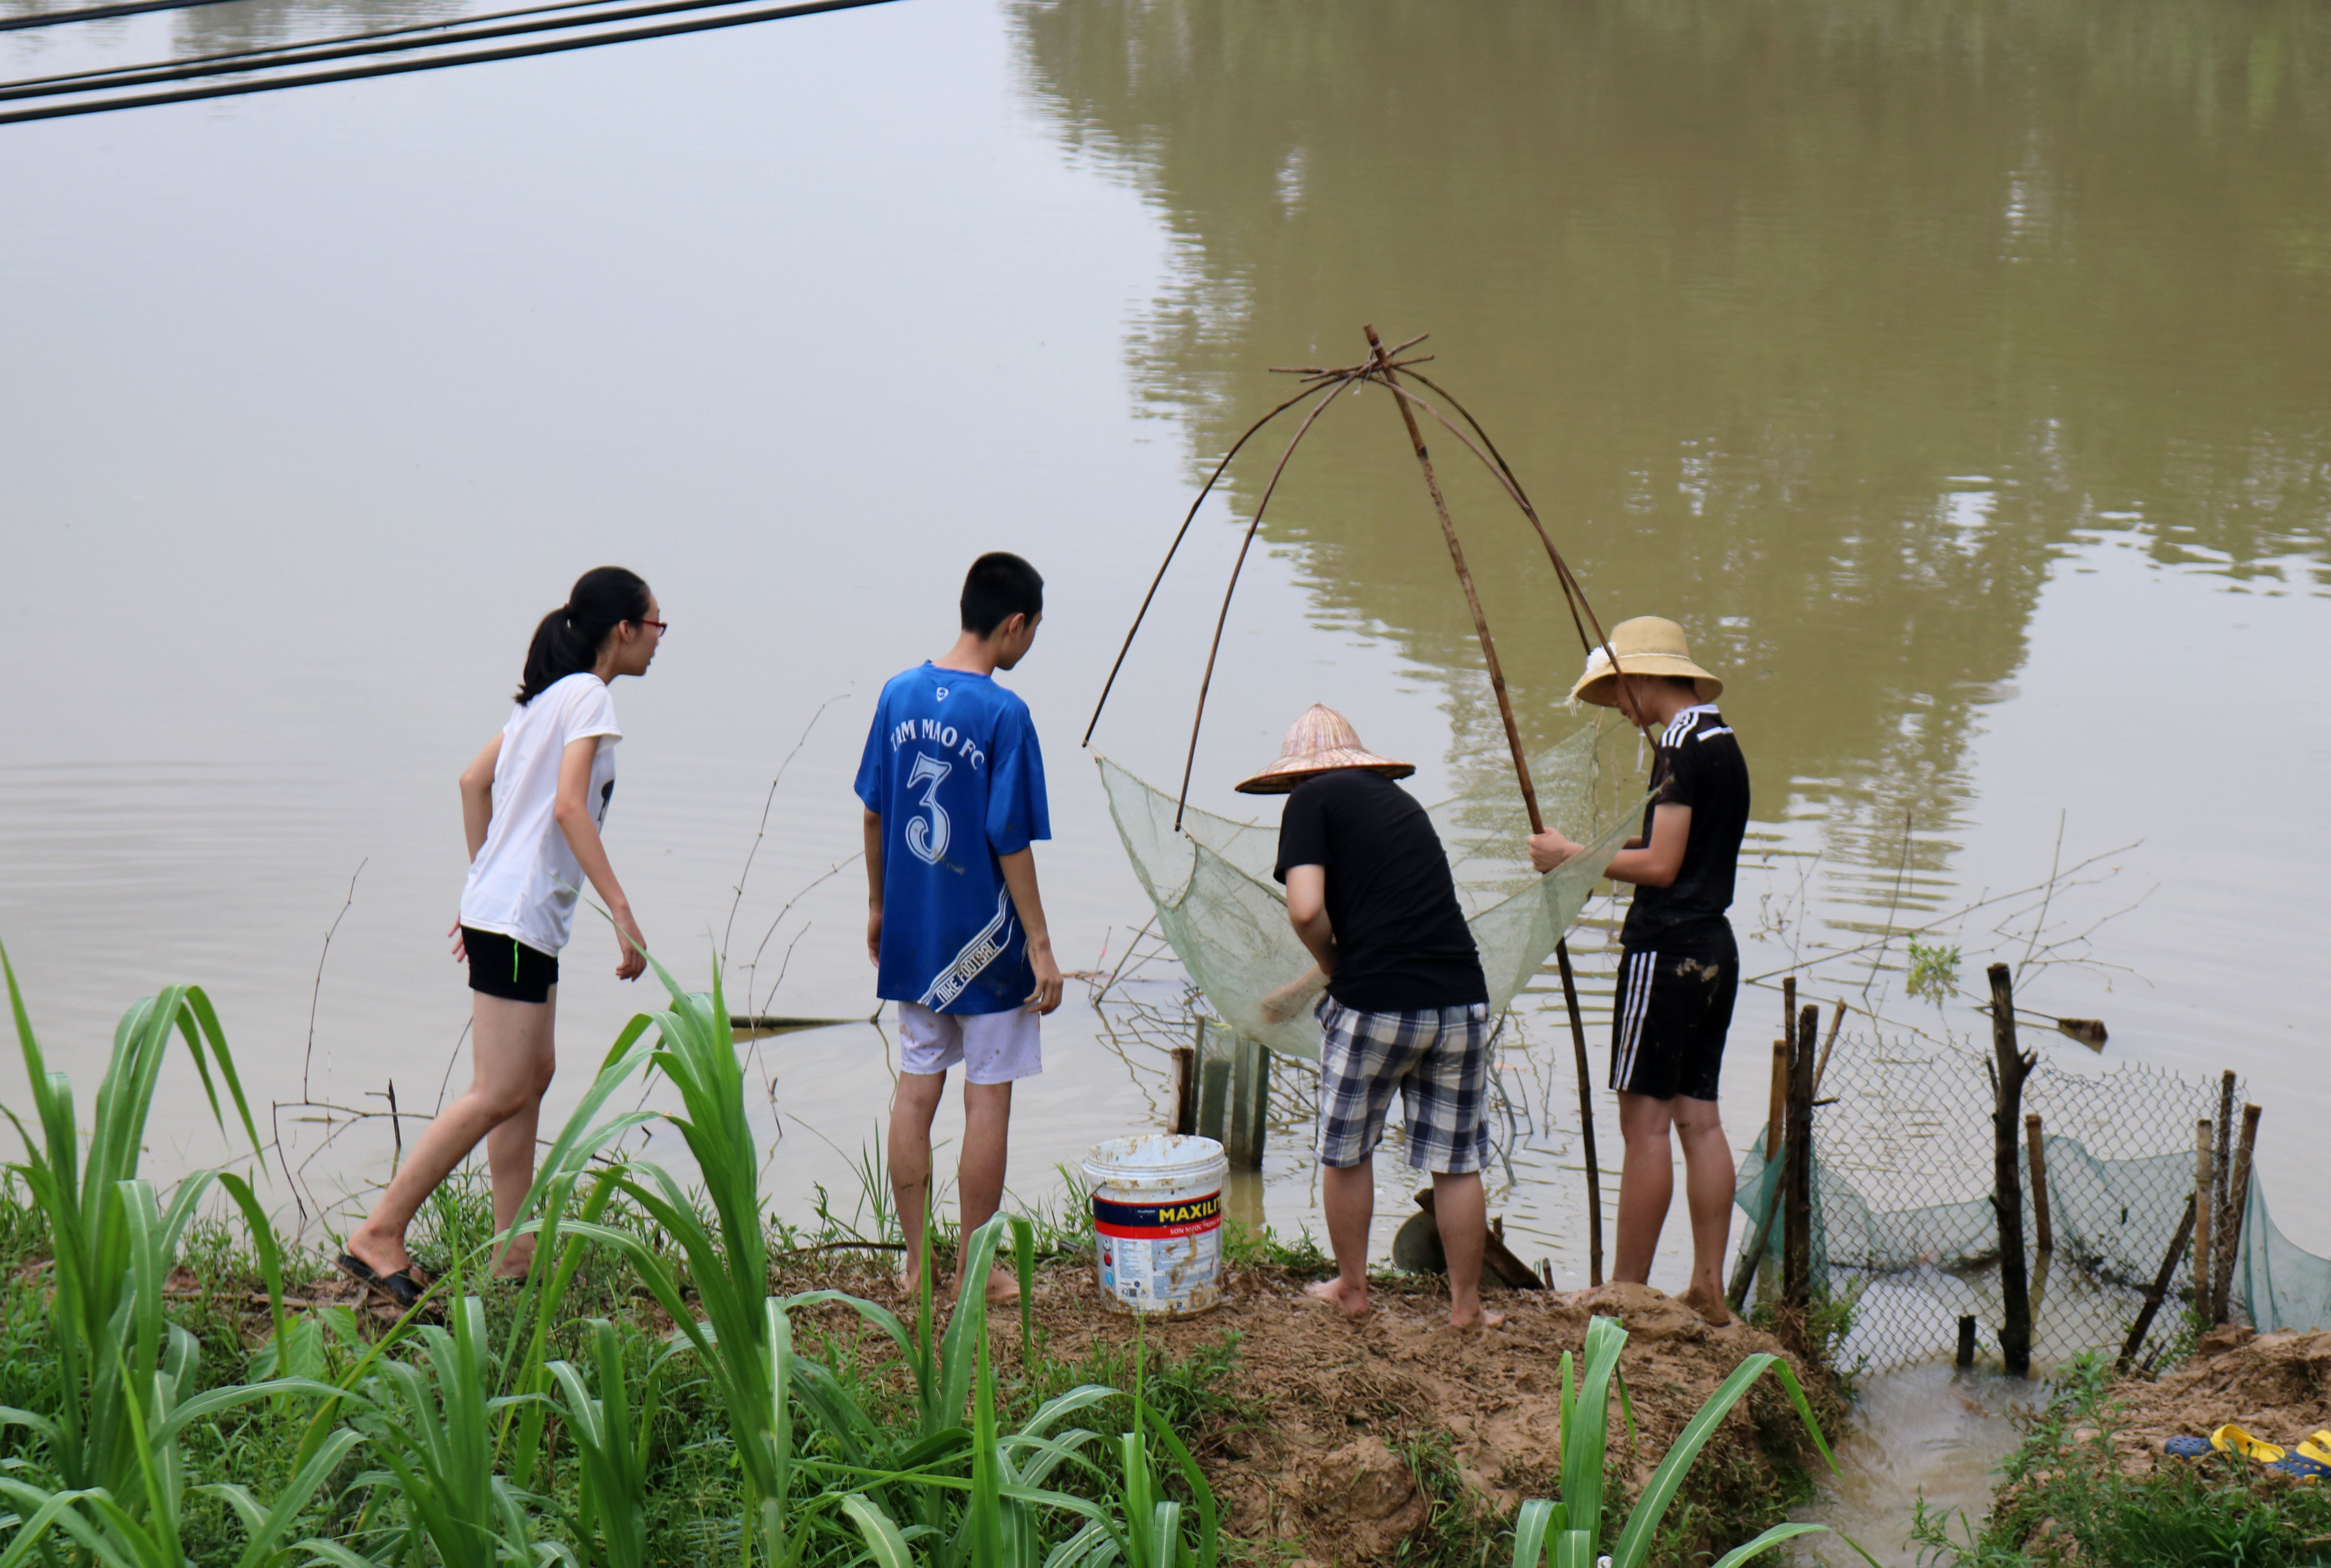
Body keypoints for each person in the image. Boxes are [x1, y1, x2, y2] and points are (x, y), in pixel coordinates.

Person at [342, 567, 664, 1305]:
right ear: (625, 629)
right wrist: (621, 908)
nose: (658, 640)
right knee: (498, 1089)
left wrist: (485, 883)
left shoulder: (542, 702)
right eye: (656, 625)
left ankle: (514, 1252)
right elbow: (569, 810)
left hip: (511, 912)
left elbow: (470, 782)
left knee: (532, 1075)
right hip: (517, 916)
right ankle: (380, 1231)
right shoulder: (587, 695)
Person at [1245, 704, 1500, 1330]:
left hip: (1377, 1004)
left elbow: (1306, 911)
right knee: (1456, 1160)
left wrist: (1332, 964)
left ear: (1295, 778)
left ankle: (1353, 1288)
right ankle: (1467, 1306)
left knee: (1347, 1149)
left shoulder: (1309, 804)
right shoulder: (1398, 803)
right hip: (1460, 996)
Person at [1527, 617, 1748, 1325]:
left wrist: (1572, 859)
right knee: (1700, 1120)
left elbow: (1660, 865)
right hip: (1714, 946)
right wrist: (1591, 848)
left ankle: (1625, 1290)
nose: (1619, 709)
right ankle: (1707, 1286)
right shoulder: (1722, 740)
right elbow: (1672, 842)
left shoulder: (1678, 744)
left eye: (1617, 691)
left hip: (1666, 951)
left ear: (1644, 676)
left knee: (1645, 1125)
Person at [857, 551, 1062, 1302]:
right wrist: (1040, 943)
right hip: (988, 945)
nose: (1029, 643)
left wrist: (879, 906)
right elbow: (1010, 838)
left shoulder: (898, 694)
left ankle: (916, 1265)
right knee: (988, 1096)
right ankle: (977, 1269)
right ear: (1014, 624)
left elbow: (876, 809)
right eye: (1033, 630)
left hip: (916, 933)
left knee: (916, 1089)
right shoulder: (1004, 714)